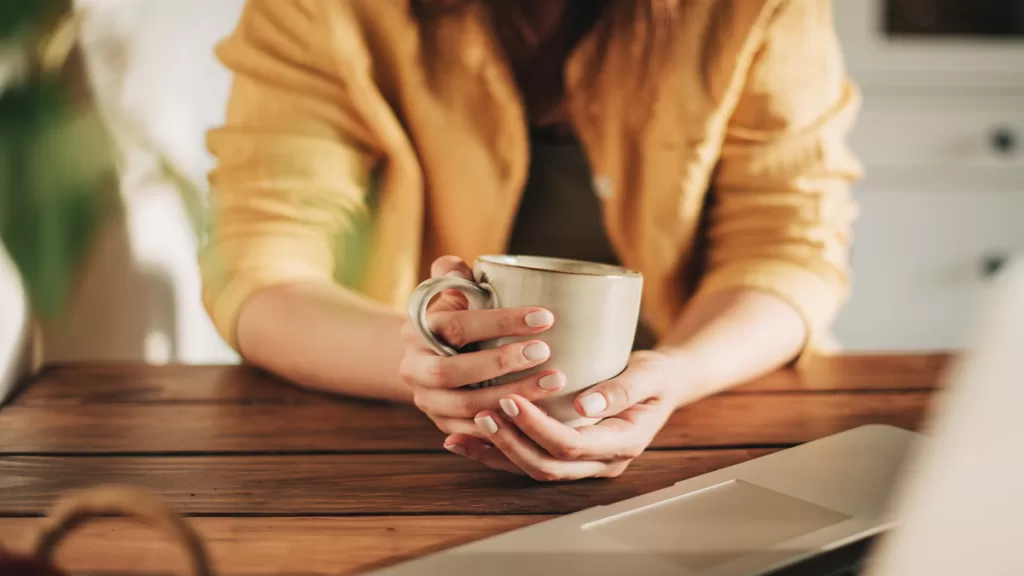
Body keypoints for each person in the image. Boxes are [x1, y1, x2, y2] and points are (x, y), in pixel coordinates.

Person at [201, 0, 862, 481]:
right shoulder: (320, 12)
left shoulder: (762, 10)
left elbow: (786, 248)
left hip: (706, 414)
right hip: (392, 441)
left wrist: (681, 373)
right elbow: (260, 267)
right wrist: (425, 365)